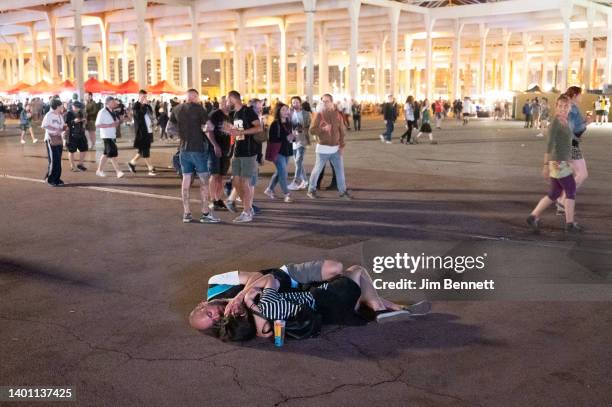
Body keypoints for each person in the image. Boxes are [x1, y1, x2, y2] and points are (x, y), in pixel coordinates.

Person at [210, 266, 431, 341]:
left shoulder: (262, 330)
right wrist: (247, 294)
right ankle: (382, 310)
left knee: (361, 296)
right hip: (323, 297)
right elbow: (270, 278)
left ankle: (399, 308)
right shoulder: (265, 302)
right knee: (357, 271)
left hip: (330, 316)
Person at [188, 260, 346, 331]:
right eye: (213, 322)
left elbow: (255, 275)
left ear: (202, 304)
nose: (216, 317)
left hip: (286, 278)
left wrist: (240, 297)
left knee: (335, 268)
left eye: (209, 313)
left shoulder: (216, 284)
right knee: (343, 299)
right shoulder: (230, 321)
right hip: (293, 301)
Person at [527, 95, 583, 234]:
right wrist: (545, 165)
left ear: (570, 107)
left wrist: (571, 162)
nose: (563, 108)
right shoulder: (556, 123)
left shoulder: (565, 121)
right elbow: (549, 145)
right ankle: (569, 224)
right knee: (571, 190)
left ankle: (533, 216)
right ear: (556, 107)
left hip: (561, 161)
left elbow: (566, 144)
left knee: (555, 193)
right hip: (558, 162)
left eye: (566, 106)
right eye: (560, 106)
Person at [170, 88, 220, 224]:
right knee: (204, 180)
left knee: (186, 179)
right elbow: (210, 127)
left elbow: (170, 128)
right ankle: (205, 213)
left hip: (183, 150)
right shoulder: (199, 109)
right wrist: (204, 128)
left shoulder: (177, 109)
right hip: (197, 149)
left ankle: (187, 213)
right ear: (196, 97)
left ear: (187, 97)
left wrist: (181, 135)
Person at [307, 93, 351, 200]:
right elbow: (312, 130)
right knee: (317, 171)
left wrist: (341, 145)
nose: (325, 103)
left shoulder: (337, 115)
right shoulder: (319, 115)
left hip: (336, 149)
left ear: (332, 102)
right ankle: (311, 190)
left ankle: (342, 192)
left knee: (340, 172)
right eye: (323, 101)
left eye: (327, 101)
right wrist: (323, 129)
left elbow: (342, 131)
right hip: (322, 149)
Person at [227, 90, 262, 223]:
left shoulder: (248, 111)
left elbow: (259, 128)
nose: (226, 102)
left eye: (227, 100)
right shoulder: (234, 114)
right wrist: (229, 131)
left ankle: (247, 211)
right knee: (236, 182)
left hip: (248, 152)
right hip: (237, 151)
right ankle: (248, 207)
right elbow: (235, 134)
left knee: (244, 182)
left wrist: (241, 132)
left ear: (232, 99)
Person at [264, 102, 296, 203]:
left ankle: (269, 189)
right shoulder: (275, 123)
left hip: (286, 150)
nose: (286, 111)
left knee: (279, 172)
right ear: (278, 111)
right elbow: (271, 138)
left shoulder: (288, 122)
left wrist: (293, 138)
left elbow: (290, 137)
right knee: (283, 173)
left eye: (287, 109)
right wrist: (286, 138)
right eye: (283, 110)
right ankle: (287, 194)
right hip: (278, 152)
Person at [206, 96, 232, 211]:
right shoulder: (215, 115)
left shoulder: (232, 115)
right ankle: (213, 200)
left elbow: (236, 132)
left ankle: (218, 199)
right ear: (221, 103)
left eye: (229, 101)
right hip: (214, 148)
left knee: (222, 176)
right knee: (214, 174)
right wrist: (215, 145)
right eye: (226, 101)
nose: (228, 103)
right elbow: (208, 131)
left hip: (227, 149)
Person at [127, 90, 156, 176]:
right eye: (143, 97)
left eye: (145, 97)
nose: (145, 98)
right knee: (145, 149)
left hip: (149, 130)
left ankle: (132, 163)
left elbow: (151, 114)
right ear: (139, 96)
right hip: (141, 132)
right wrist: (143, 105)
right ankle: (150, 168)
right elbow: (139, 116)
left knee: (142, 149)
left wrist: (148, 106)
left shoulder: (147, 106)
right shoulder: (136, 106)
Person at [95, 96, 125, 179]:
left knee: (106, 154)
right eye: (113, 102)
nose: (115, 103)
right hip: (106, 136)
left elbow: (116, 123)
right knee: (112, 154)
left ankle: (99, 170)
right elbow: (97, 125)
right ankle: (118, 171)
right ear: (108, 103)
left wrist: (119, 121)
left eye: (114, 102)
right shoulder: (102, 112)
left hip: (112, 135)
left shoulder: (113, 112)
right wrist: (110, 125)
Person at [288, 96, 311, 191]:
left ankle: (296, 181)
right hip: (293, 139)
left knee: (298, 160)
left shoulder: (305, 113)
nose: (295, 104)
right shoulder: (290, 113)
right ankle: (305, 181)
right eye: (293, 102)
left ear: (300, 103)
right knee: (297, 162)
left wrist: (302, 127)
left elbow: (309, 125)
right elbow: (287, 124)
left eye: (297, 102)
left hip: (302, 139)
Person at [41, 99, 67, 186]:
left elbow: (62, 126)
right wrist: (56, 129)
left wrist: (64, 129)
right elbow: (44, 125)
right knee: (53, 160)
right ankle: (51, 179)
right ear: (56, 107)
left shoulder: (59, 115)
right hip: (51, 139)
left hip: (58, 139)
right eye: (61, 106)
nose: (62, 107)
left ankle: (56, 178)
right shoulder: (49, 115)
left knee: (58, 160)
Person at [64, 101, 88, 172]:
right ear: (73, 106)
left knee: (84, 148)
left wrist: (84, 122)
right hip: (72, 135)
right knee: (71, 151)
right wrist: (74, 121)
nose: (78, 109)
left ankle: (80, 164)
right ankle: (72, 166)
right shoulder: (68, 113)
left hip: (81, 133)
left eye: (79, 108)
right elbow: (65, 124)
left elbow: (83, 123)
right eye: (77, 107)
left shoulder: (81, 113)